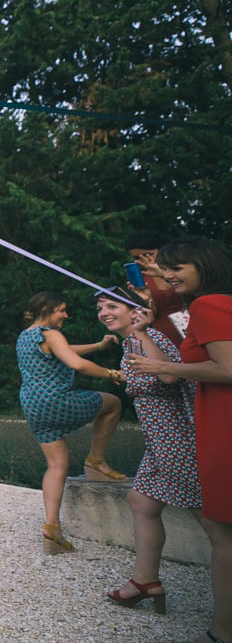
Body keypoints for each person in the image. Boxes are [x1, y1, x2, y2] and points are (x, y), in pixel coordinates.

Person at [127, 237, 232, 643]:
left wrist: (159, 364)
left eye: (177, 268)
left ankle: (222, 632)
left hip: (223, 421)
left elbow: (227, 368)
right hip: (215, 417)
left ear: (203, 265)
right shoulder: (217, 302)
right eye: (164, 269)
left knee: (222, 533)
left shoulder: (209, 305)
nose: (168, 275)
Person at [96, 288, 200, 614]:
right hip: (159, 443)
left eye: (112, 306)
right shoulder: (132, 342)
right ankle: (146, 581)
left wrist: (141, 331)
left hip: (180, 441)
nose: (104, 313)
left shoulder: (147, 336)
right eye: (100, 308)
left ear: (136, 312)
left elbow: (169, 375)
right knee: (140, 500)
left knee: (214, 522)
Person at [16, 291, 125, 554]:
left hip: (32, 405)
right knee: (112, 404)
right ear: (46, 309)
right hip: (56, 400)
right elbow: (75, 363)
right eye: (61, 310)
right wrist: (113, 373)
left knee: (56, 465)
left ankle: (52, 529)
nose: (65, 315)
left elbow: (65, 350)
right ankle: (96, 462)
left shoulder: (24, 336)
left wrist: (99, 346)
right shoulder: (50, 334)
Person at [124, 229, 188, 346]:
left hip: (191, 322)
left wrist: (162, 273)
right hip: (164, 331)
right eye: (137, 257)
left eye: (148, 255)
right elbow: (151, 315)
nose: (143, 260)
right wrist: (146, 299)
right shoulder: (141, 279)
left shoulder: (181, 268)